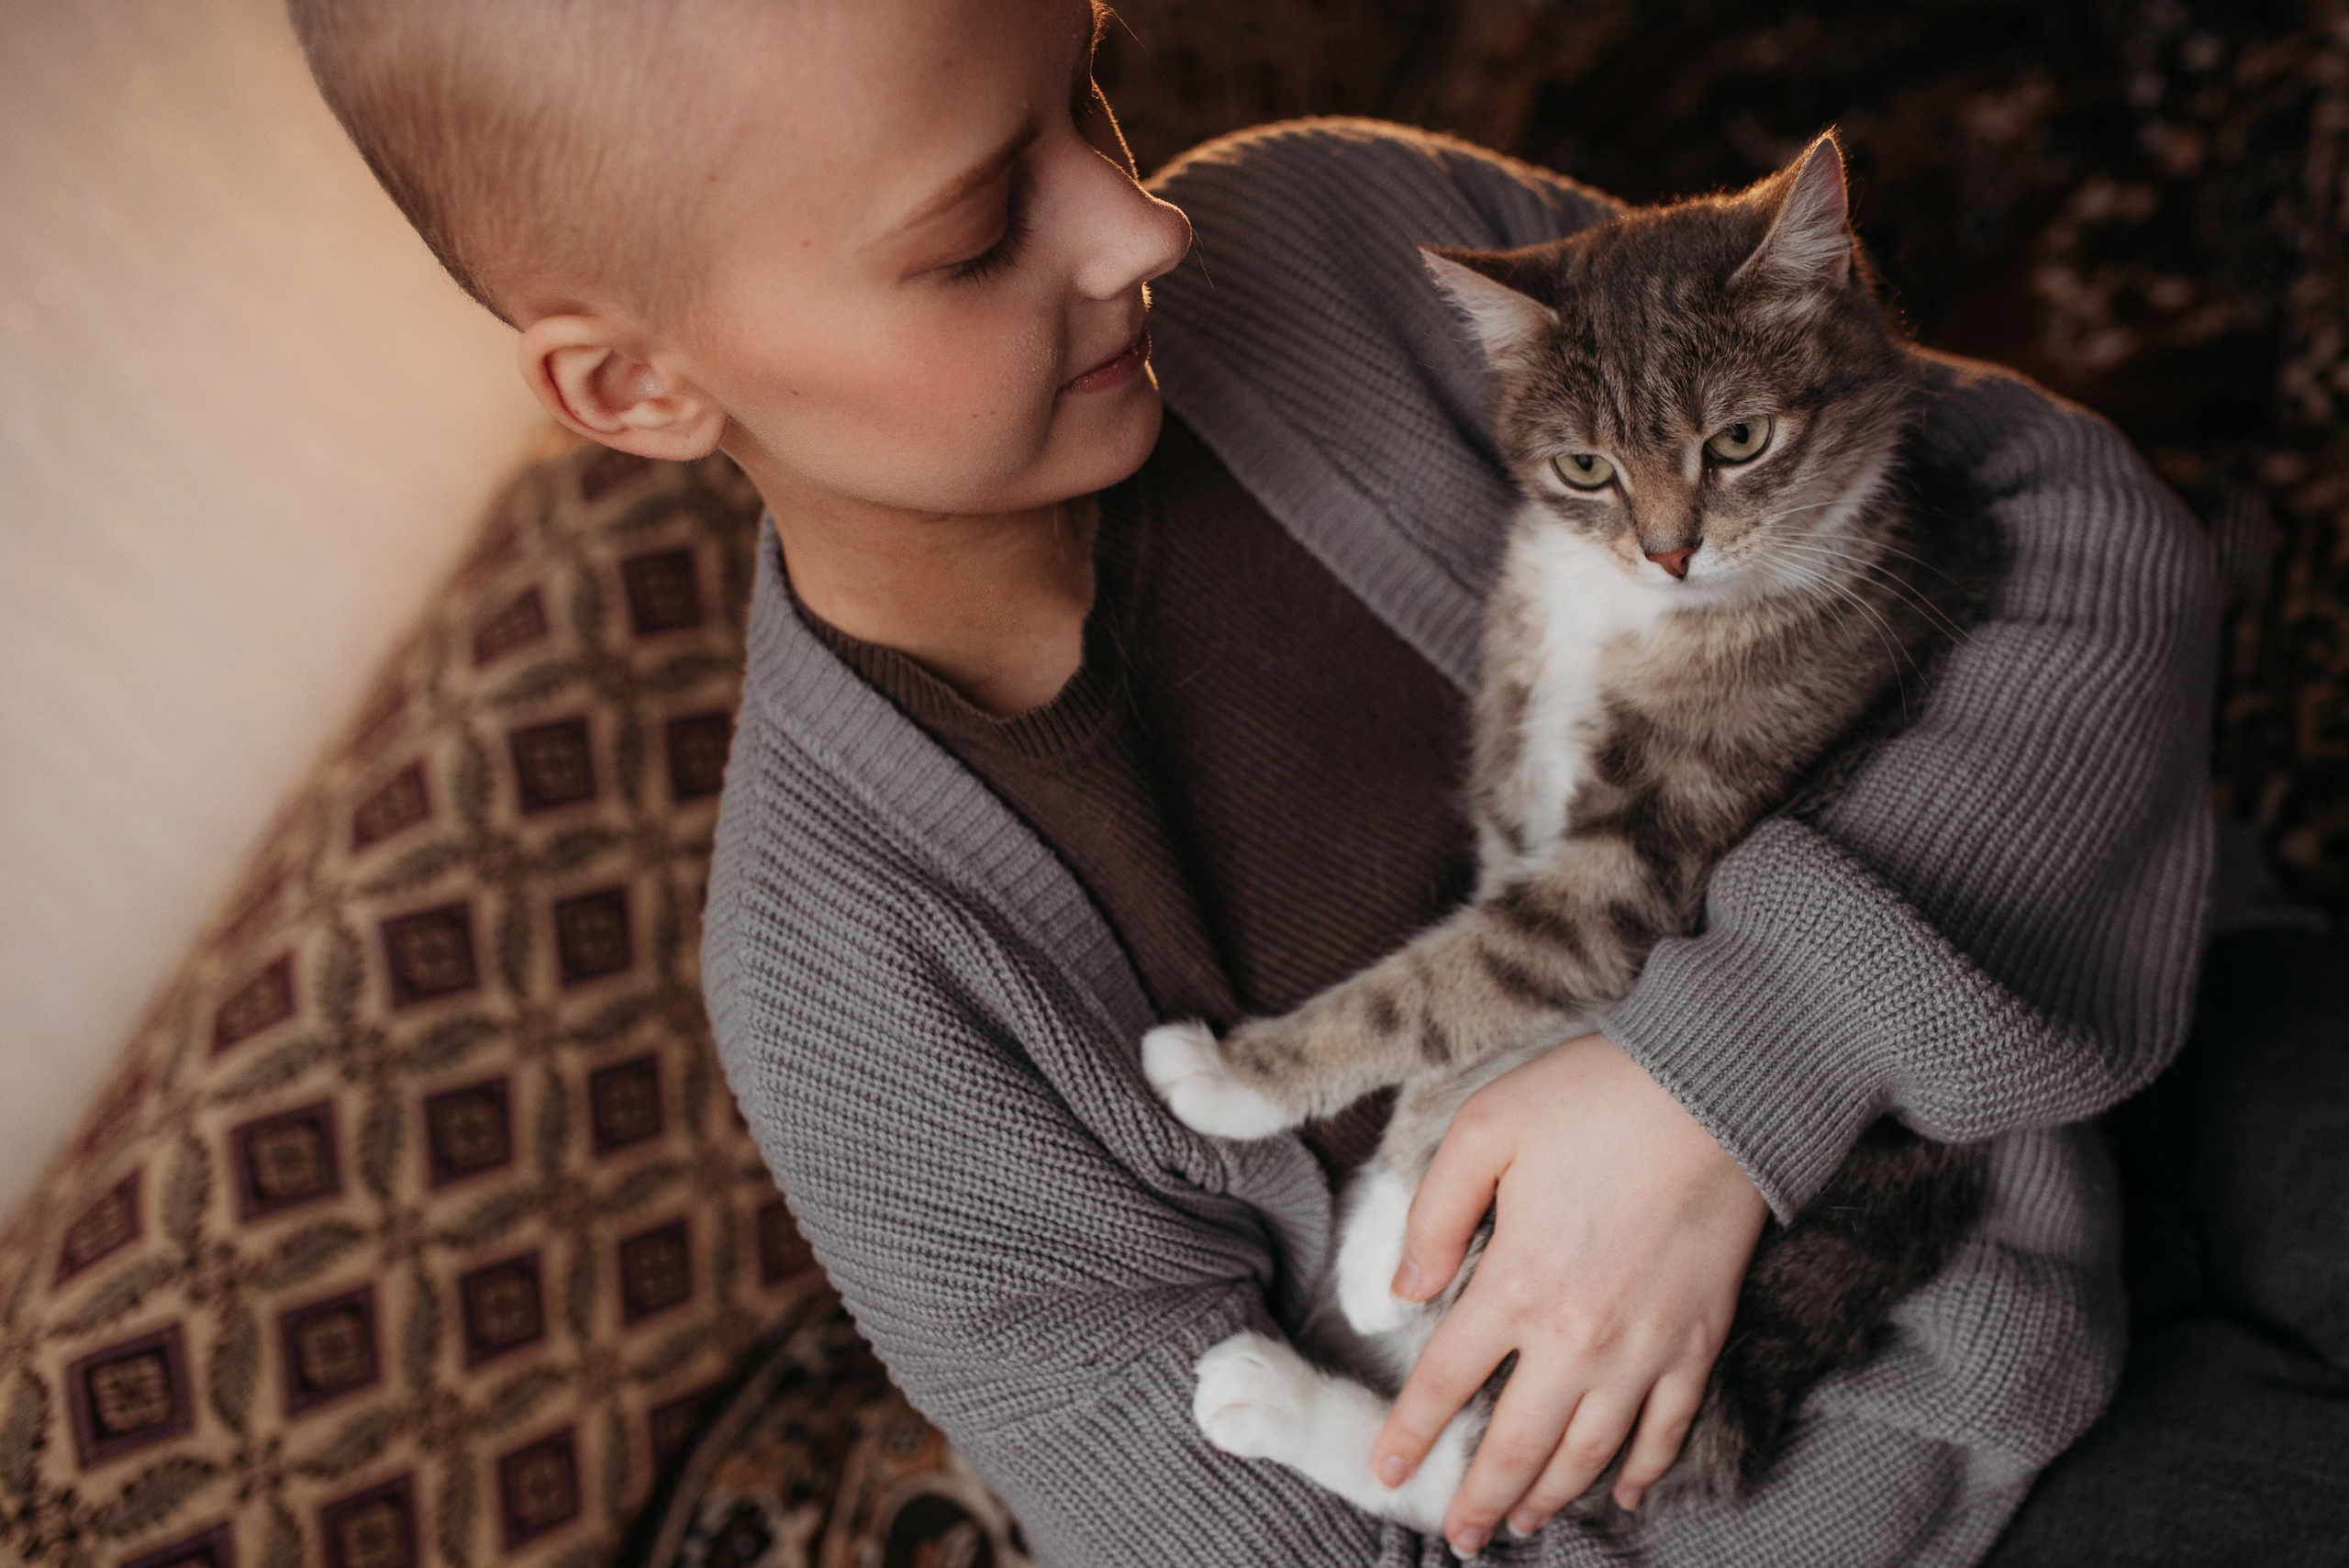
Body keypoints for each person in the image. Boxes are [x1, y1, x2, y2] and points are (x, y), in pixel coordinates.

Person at [286, 2, 2217, 1562]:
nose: (1143, 228)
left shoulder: (1331, 235)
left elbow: (2088, 538)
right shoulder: (845, 998)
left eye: (1089, 94)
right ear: (634, 391)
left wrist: (1723, 1076)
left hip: (2170, 1085)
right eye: (973, 233)